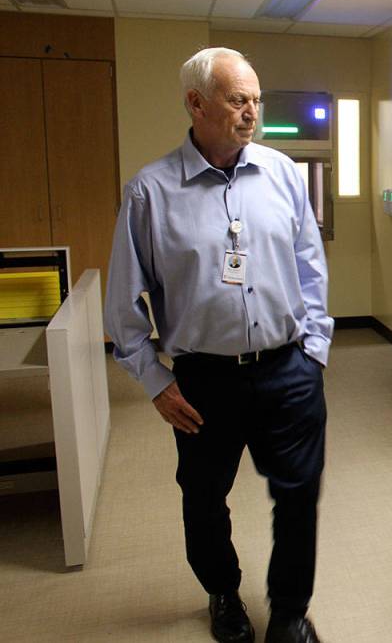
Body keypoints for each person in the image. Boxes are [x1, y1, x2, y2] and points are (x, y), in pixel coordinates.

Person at [104, 47, 332, 643]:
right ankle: (223, 593)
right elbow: (124, 303)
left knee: (298, 497)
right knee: (204, 498)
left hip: (289, 369)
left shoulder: (284, 174)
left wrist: (314, 348)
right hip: (205, 379)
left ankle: (289, 612)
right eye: (238, 100)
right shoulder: (150, 194)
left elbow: (310, 266)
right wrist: (155, 383)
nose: (251, 111)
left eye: (256, 99)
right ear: (196, 103)